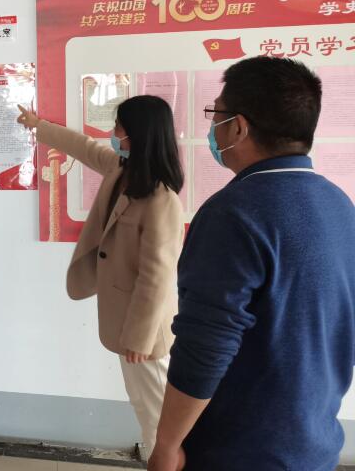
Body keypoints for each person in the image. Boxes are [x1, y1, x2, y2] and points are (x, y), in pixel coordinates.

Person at [149, 57, 355, 471]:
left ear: (238, 127)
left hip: (240, 450)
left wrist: (167, 443)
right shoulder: (339, 204)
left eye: (216, 114)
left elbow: (205, 345)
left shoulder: (232, 212)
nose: (213, 127)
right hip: (315, 443)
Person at [18, 95, 184, 460]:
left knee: (160, 421)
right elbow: (83, 147)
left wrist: (139, 338)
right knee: (143, 408)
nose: (114, 133)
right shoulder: (122, 171)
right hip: (124, 322)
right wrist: (38, 126)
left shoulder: (162, 199)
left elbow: (157, 278)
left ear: (137, 133)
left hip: (145, 334)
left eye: (119, 126)